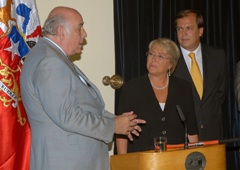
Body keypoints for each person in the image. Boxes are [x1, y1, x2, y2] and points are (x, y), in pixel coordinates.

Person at [20, 6, 146, 170]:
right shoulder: (50, 62)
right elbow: (67, 115)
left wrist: (116, 121)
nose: (84, 34)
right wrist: (112, 126)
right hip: (66, 162)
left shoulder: (52, 56)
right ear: (61, 31)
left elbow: (83, 108)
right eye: (79, 28)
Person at [115, 38, 198, 154]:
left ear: (170, 64)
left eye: (160, 56)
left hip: (176, 158)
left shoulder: (183, 88)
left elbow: (192, 130)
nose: (153, 59)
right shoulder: (132, 88)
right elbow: (121, 131)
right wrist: (122, 163)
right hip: (141, 158)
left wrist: (194, 160)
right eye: (151, 54)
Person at [172, 9, 228, 141]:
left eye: (189, 28)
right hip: (182, 136)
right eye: (179, 29)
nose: (183, 33)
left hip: (212, 133)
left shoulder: (217, 56)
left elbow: (221, 93)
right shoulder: (170, 59)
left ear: (200, 31)